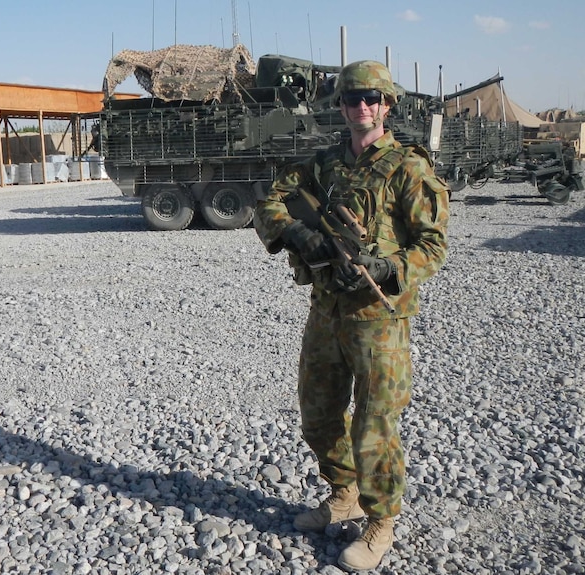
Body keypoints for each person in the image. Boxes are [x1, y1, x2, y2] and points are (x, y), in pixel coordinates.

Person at [253, 60, 449, 572]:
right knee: (318, 413)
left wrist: (386, 266)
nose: (361, 106)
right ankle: (345, 493)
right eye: (350, 98)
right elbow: (270, 201)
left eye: (371, 98)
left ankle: (380, 520)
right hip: (327, 311)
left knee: (374, 424)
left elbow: (433, 247)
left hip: (379, 320)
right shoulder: (323, 165)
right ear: (339, 106)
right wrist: (300, 234)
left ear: (387, 105)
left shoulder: (409, 168)